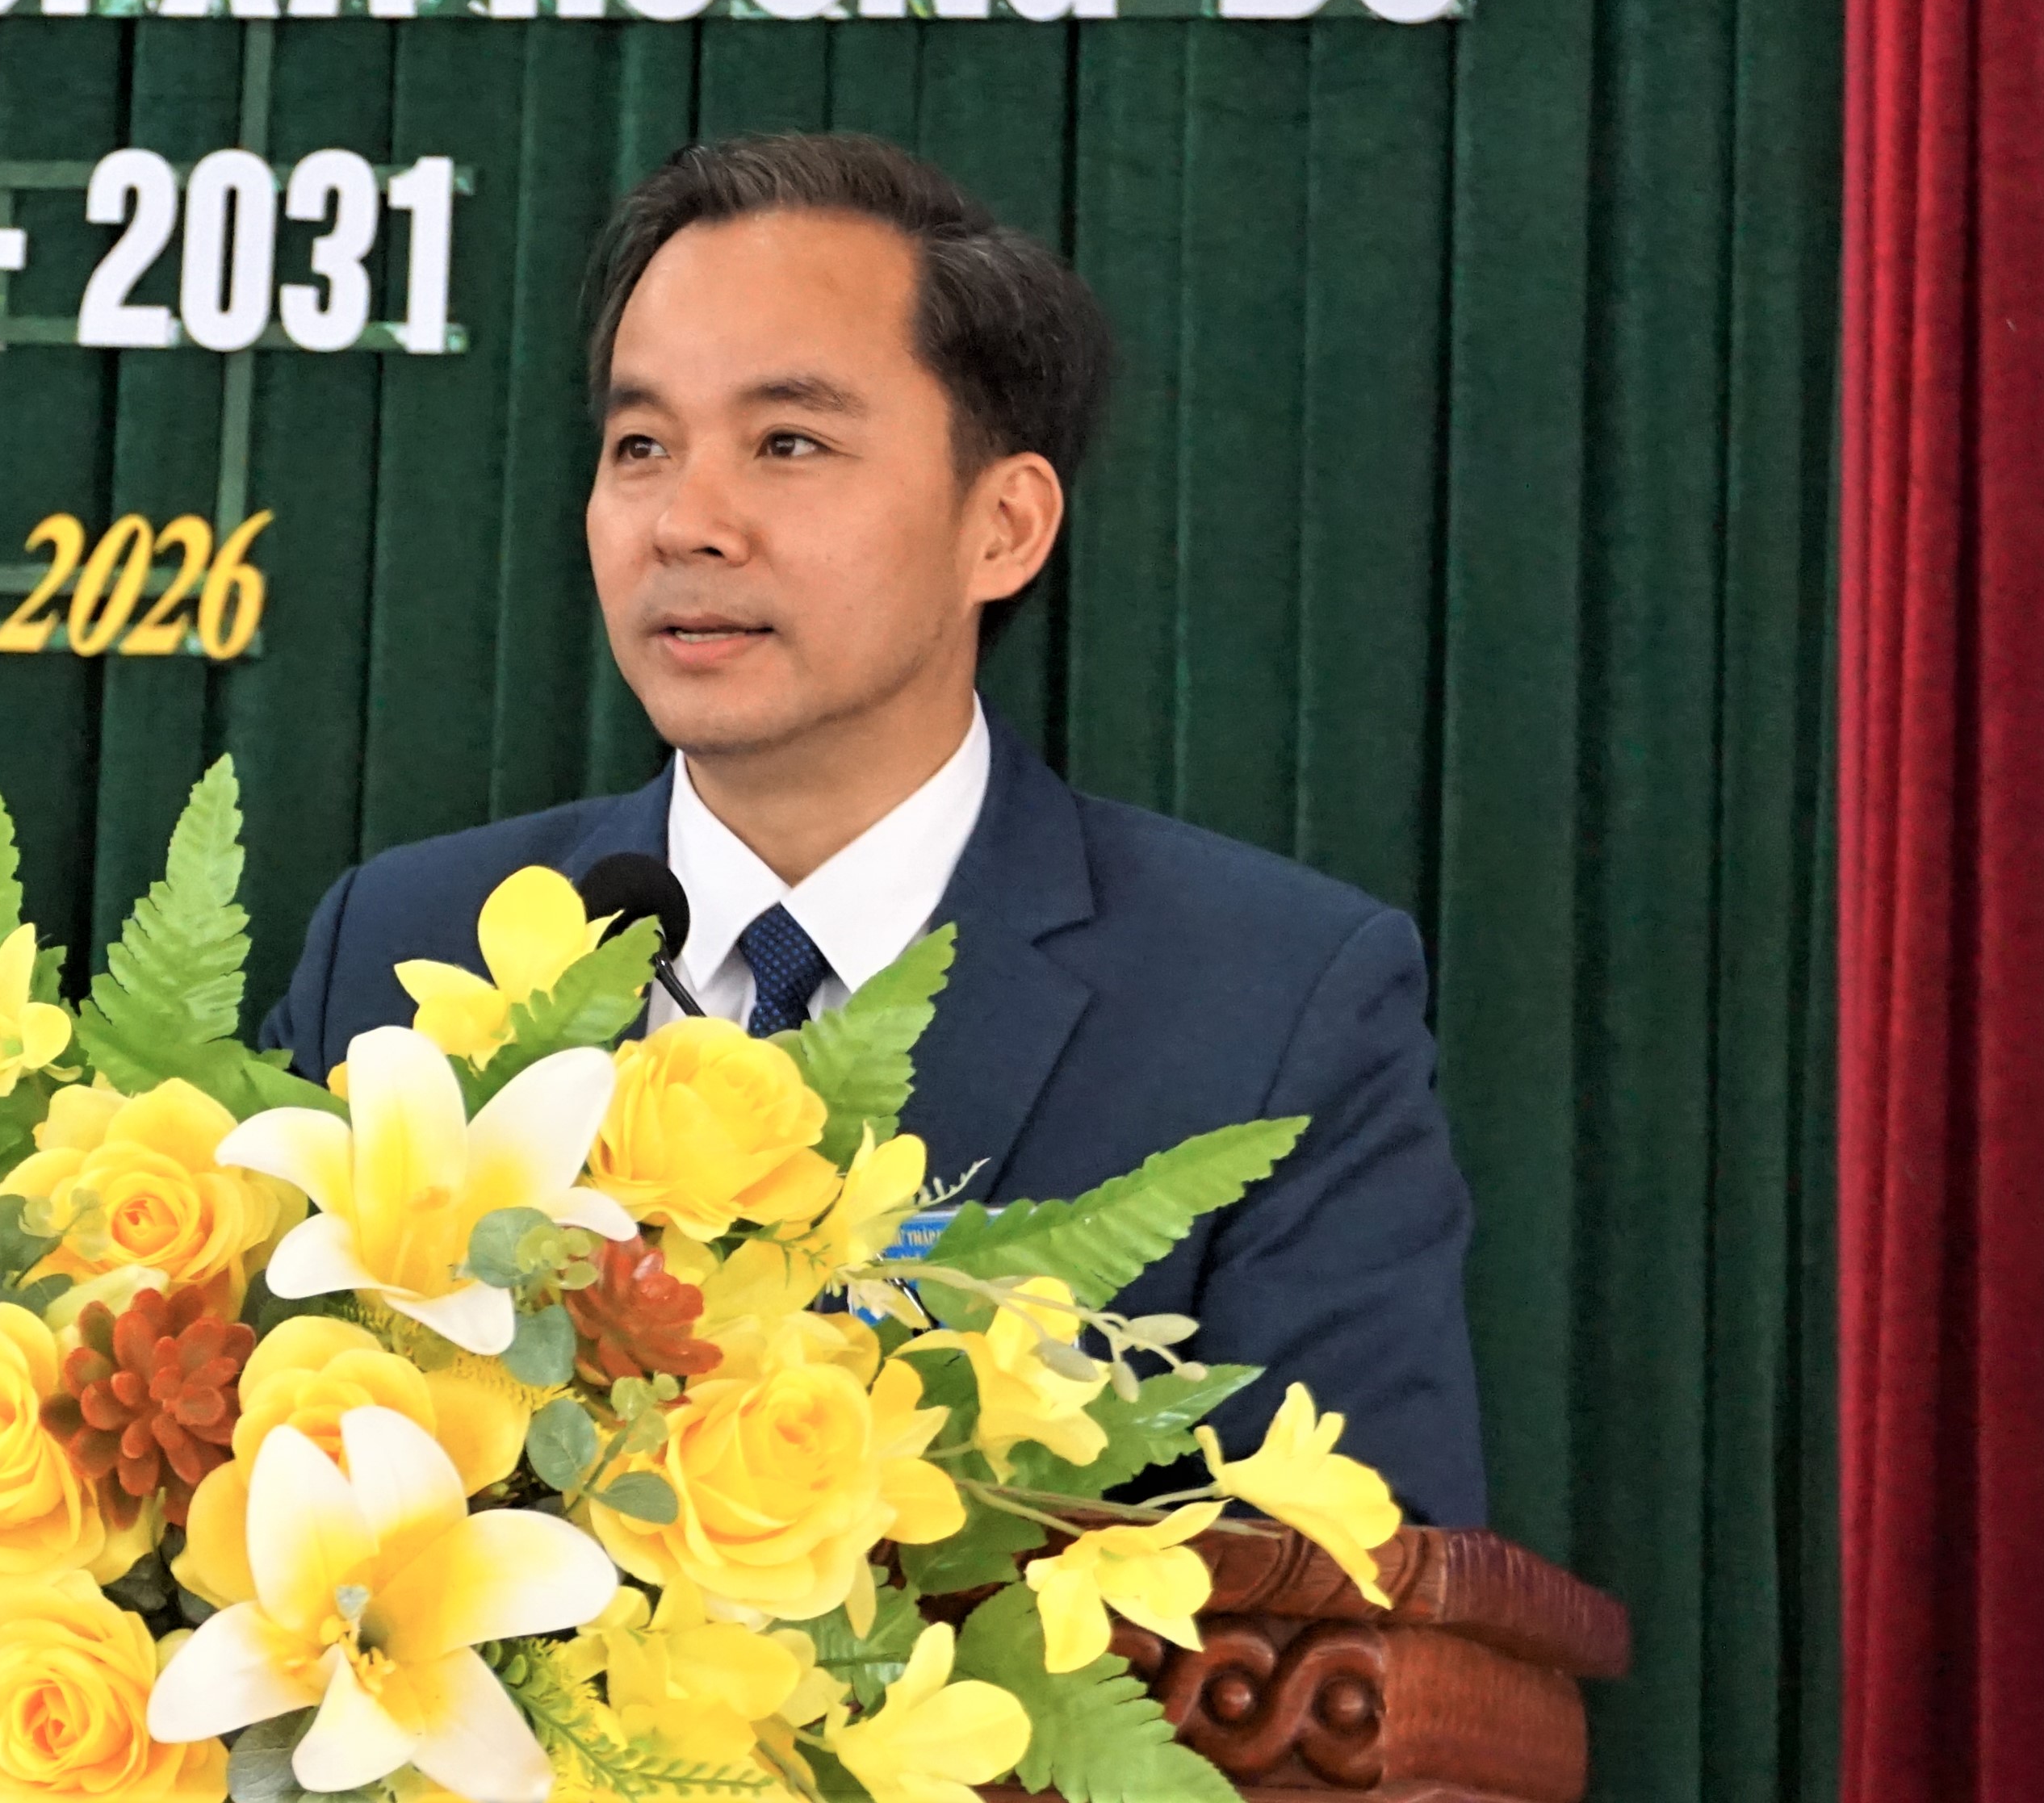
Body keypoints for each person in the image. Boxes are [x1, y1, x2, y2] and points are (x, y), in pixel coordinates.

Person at [256, 132, 1487, 1527]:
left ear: (1002, 526)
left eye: (787, 443)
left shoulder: (1269, 1007)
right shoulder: (400, 947)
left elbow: (1370, 1587)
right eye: (640, 446)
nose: (685, 523)